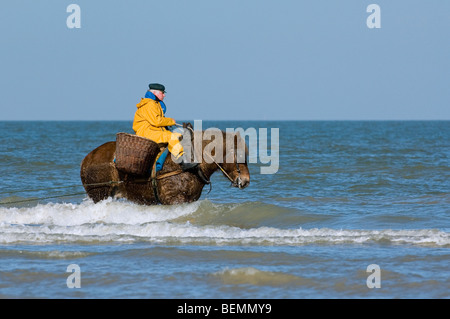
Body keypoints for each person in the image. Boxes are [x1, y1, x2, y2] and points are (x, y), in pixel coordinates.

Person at [132, 83, 198, 171]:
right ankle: (183, 162)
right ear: (155, 93)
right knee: (172, 136)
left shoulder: (154, 103)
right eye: (162, 93)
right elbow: (156, 121)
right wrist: (171, 121)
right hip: (146, 133)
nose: (164, 95)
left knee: (176, 136)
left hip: (152, 131)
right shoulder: (150, 104)